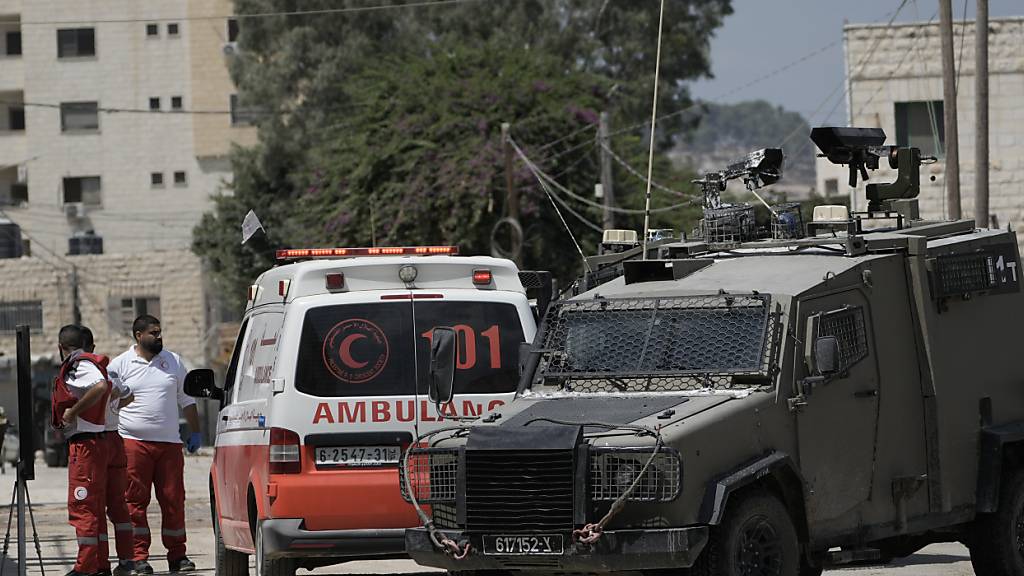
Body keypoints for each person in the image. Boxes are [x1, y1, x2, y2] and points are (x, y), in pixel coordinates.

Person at [109, 316, 200, 575]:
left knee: (173, 500)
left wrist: (196, 431)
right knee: (134, 502)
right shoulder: (120, 364)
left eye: (160, 332)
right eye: (153, 333)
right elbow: (109, 401)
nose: (159, 337)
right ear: (138, 335)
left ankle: (178, 556)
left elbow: (187, 400)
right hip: (132, 443)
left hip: (169, 445)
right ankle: (138, 557)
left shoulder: (173, 361)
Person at [53, 324, 113, 576]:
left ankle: (85, 567)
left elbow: (99, 387)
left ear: (60, 347)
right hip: (94, 443)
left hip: (85, 447)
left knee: (82, 505)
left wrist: (73, 412)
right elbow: (119, 392)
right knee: (94, 507)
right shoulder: (89, 364)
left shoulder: (79, 365)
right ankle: (99, 565)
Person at [82, 327, 136, 576]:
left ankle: (101, 564)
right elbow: (129, 395)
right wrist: (113, 407)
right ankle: (127, 561)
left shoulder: (82, 372)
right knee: (119, 505)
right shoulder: (109, 372)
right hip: (115, 438)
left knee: (95, 506)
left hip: (96, 440)